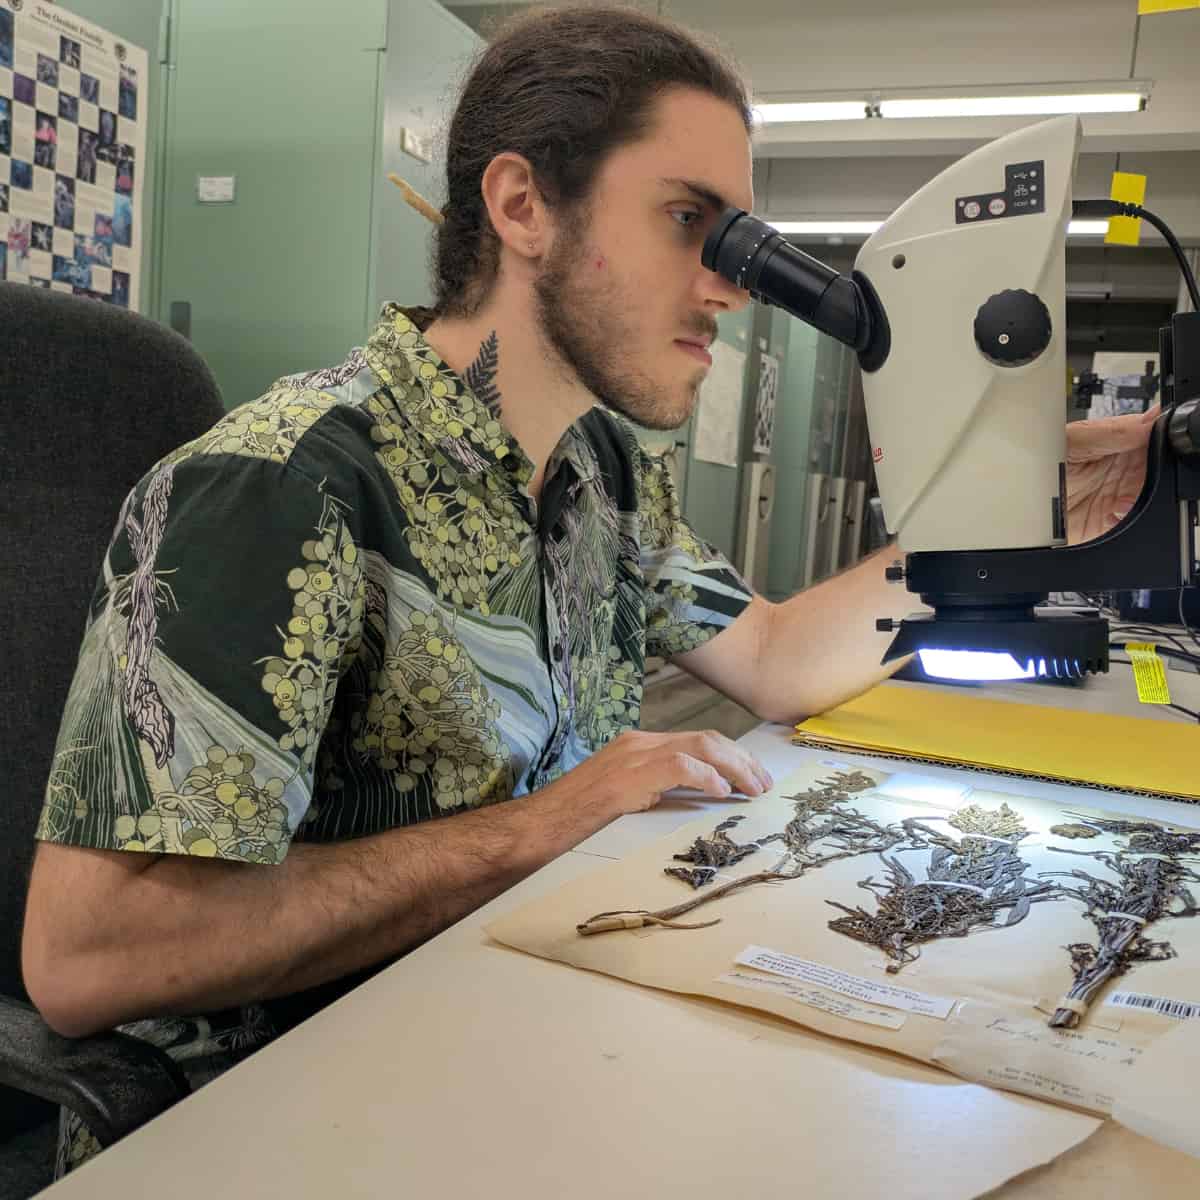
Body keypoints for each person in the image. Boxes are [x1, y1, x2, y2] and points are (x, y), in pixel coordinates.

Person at [23, 5, 1153, 1176]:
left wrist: (1015, 502)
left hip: (508, 1019)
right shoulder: (283, 484)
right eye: (688, 222)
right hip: (270, 1126)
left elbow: (775, 657)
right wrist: (547, 822)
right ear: (523, 208)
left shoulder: (599, 471)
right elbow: (88, 956)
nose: (732, 288)